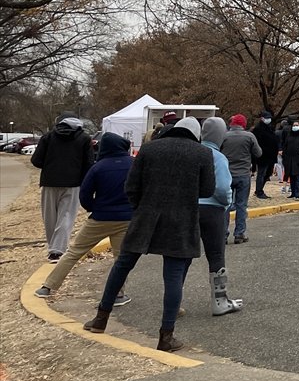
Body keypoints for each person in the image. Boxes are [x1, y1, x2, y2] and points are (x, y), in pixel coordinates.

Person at [83, 117, 216, 352]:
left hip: (145, 216)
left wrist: (140, 208)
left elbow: (130, 186)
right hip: (181, 220)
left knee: (122, 266)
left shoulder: (149, 149)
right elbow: (207, 190)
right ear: (196, 135)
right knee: (173, 277)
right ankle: (166, 336)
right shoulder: (203, 153)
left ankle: (100, 319)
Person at [35, 133, 133, 304]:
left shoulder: (98, 167)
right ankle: (118, 295)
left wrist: (93, 207)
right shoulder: (133, 164)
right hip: (126, 218)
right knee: (120, 258)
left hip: (100, 218)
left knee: (74, 252)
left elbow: (85, 194)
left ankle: (48, 287)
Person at [30, 112, 95, 261]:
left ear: (60, 122)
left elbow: (36, 160)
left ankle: (53, 247)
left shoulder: (48, 137)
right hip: (73, 183)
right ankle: (57, 250)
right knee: (66, 216)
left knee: (49, 217)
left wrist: (49, 165)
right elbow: (89, 163)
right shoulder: (84, 138)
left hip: (49, 181)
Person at [199, 117, 242, 315]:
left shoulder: (193, 152)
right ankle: (220, 300)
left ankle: (175, 300)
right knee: (216, 256)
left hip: (191, 208)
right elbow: (223, 188)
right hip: (213, 210)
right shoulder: (218, 157)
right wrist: (227, 203)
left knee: (183, 257)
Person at [220, 114, 260, 244]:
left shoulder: (224, 136)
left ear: (231, 124)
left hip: (227, 174)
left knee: (225, 204)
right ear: (243, 124)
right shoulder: (249, 136)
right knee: (241, 205)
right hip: (243, 173)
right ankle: (239, 233)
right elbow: (258, 153)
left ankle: (223, 234)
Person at [280, 118, 299, 199]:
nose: (295, 127)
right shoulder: (289, 135)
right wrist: (284, 154)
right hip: (289, 159)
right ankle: (293, 193)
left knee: (298, 177)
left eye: (296, 125)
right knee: (292, 177)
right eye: (294, 125)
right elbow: (285, 145)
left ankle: (297, 194)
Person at [252, 111, 277, 199]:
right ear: (262, 118)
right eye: (267, 118)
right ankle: (259, 191)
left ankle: (259, 189)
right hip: (263, 155)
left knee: (268, 173)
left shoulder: (270, 128)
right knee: (261, 173)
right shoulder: (258, 129)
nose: (269, 119)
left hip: (271, 155)